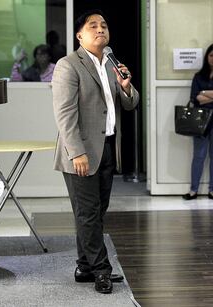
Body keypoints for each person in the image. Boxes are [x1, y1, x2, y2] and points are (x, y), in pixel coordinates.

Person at [52, 10, 139, 294]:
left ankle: (84, 266)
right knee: (88, 213)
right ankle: (101, 270)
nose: (100, 29)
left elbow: (131, 103)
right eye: (93, 26)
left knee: (95, 213)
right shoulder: (69, 65)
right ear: (80, 35)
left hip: (107, 148)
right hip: (81, 153)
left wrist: (125, 86)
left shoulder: (111, 64)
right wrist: (76, 152)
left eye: (104, 25)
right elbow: (65, 114)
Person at [182, 43, 213, 201]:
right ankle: (193, 190)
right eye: (212, 55)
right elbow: (195, 97)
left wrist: (205, 93)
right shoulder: (199, 76)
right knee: (198, 155)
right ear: (207, 57)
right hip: (200, 121)